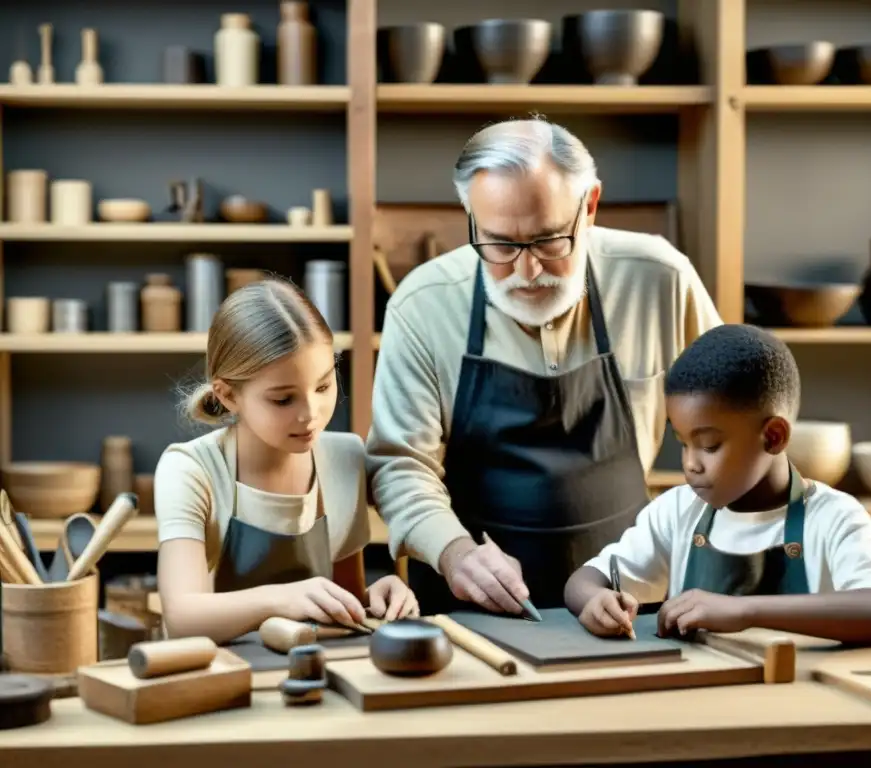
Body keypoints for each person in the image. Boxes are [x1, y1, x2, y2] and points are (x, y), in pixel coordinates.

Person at [367, 117, 722, 616]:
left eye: (549, 240)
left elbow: (731, 423)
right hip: (468, 610)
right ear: (470, 216)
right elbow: (399, 465)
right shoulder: (422, 305)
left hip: (628, 603)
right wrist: (456, 554)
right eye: (500, 244)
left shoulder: (659, 279)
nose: (526, 272)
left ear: (590, 206)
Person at [564, 324, 871, 645]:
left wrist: (743, 610)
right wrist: (596, 601)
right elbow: (582, 581)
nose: (690, 463)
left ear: (773, 437)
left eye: (710, 446)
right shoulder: (678, 511)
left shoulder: (833, 517)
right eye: (683, 443)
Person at [155, 279, 418, 644]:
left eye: (323, 387)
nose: (311, 414)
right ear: (228, 395)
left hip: (311, 680)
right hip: (216, 681)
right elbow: (183, 618)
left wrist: (374, 599)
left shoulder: (346, 458)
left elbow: (342, 606)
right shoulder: (190, 470)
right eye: (283, 400)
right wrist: (282, 598)